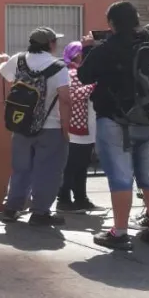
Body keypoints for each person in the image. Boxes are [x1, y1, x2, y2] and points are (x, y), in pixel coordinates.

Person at [78, 1, 149, 250]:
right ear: (136, 19)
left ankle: (120, 232)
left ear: (111, 23)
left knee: (121, 178)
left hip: (116, 120)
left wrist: (88, 49)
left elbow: (84, 76)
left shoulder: (107, 47)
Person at [0, 27, 72, 226]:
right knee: (48, 171)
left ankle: (12, 208)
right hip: (51, 127)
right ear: (50, 44)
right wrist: (66, 128)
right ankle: (40, 212)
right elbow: (65, 99)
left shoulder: (19, 60)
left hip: (21, 124)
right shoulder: (58, 67)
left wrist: (3, 61)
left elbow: (3, 73)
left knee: (21, 169)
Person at [56, 41, 99, 212]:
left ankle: (81, 199)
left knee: (82, 165)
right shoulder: (72, 74)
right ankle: (64, 199)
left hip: (86, 128)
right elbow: (72, 95)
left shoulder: (85, 73)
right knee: (72, 166)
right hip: (76, 129)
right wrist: (94, 86)